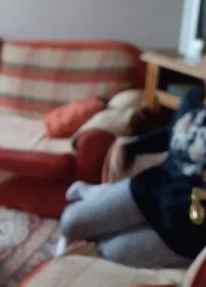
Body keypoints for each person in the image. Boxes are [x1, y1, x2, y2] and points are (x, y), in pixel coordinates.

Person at [58, 87, 206, 268]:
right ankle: (99, 193)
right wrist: (129, 145)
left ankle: (100, 194)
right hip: (158, 186)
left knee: (105, 253)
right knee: (70, 222)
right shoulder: (195, 96)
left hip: (190, 224)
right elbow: (172, 133)